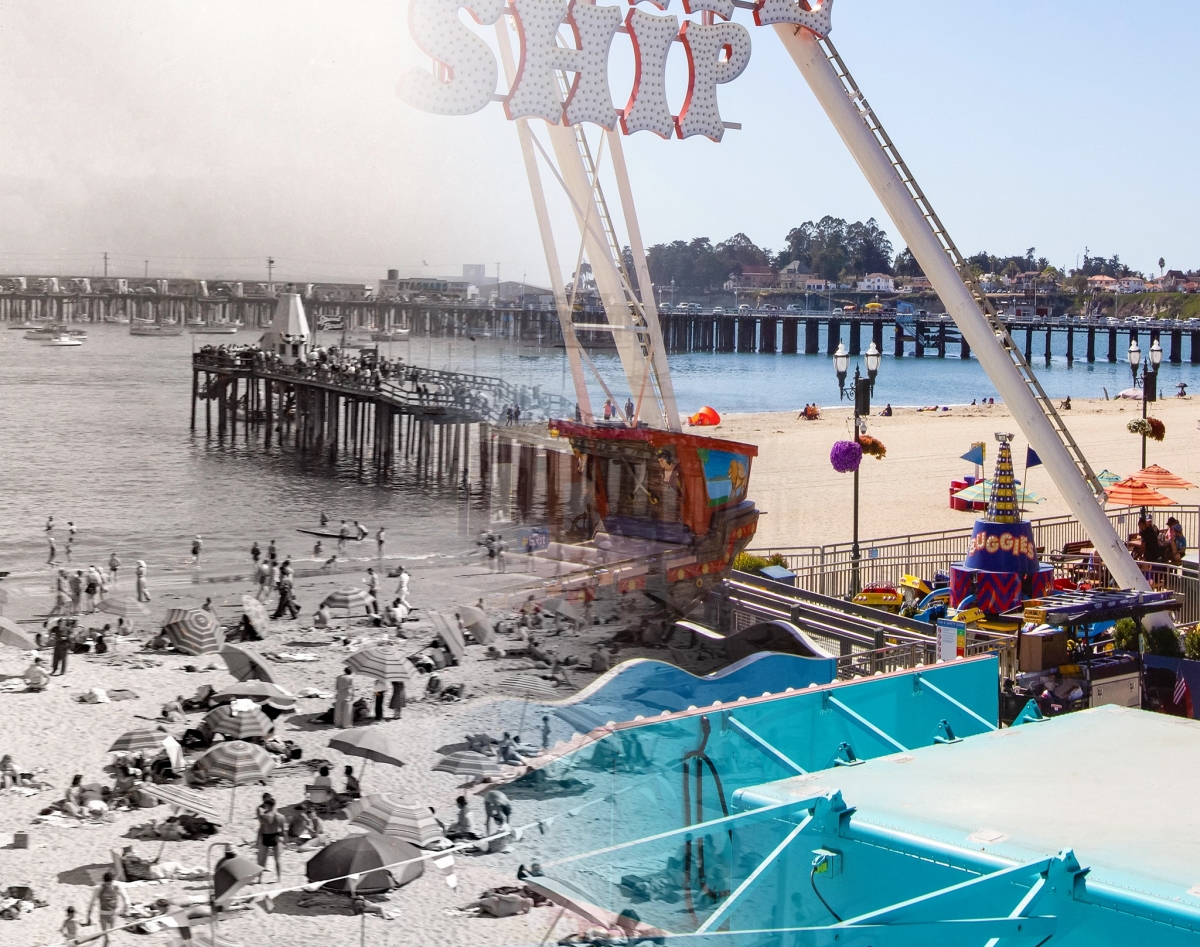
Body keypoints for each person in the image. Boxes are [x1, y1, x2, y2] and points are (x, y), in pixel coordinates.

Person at [85, 871, 127, 946]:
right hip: (103, 915)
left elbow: (125, 898)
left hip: (113, 914)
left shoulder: (117, 886)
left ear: (112, 881)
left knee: (110, 935)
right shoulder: (99, 888)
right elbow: (92, 903)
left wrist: (125, 909)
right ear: (104, 882)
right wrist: (88, 916)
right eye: (107, 884)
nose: (108, 885)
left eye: (110, 883)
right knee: (107, 937)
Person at [255, 795, 286, 882]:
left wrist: (257, 841)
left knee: (262, 860)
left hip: (266, 837)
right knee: (277, 859)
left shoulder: (265, 816)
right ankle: (279, 878)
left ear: (268, 806)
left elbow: (261, 830)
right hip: (275, 837)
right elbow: (283, 832)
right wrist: (286, 842)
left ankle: (260, 879)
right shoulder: (281, 817)